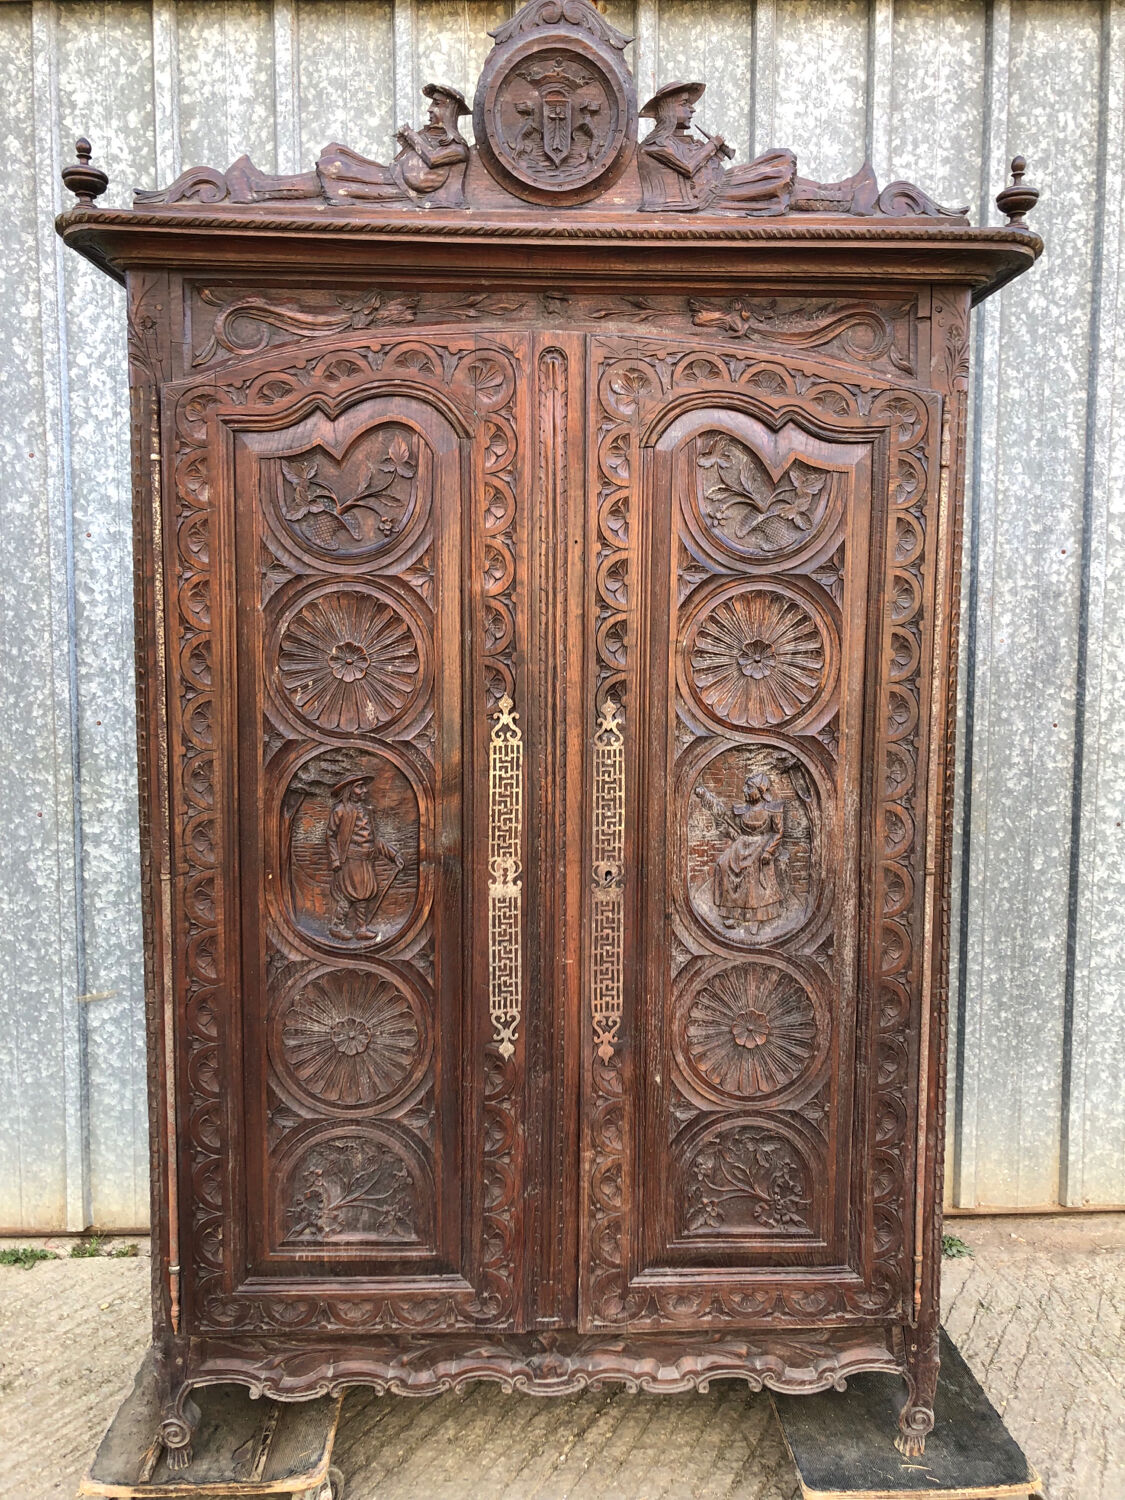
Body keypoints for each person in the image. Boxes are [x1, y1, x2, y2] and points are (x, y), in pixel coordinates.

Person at [637, 81, 795, 214]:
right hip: (709, 197)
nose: (692, 109)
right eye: (685, 104)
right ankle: (817, 198)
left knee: (781, 159)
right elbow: (688, 168)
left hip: (719, 184)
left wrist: (717, 154)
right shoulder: (655, 144)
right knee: (776, 177)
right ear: (669, 109)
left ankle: (820, 193)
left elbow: (706, 169)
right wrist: (712, 145)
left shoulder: (682, 141)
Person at [318, 83, 470, 207]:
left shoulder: (458, 148)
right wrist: (407, 144)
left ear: (450, 110)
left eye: (437, 103)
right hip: (392, 178)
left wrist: (411, 135)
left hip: (396, 189)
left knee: (336, 167)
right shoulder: (431, 136)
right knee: (337, 159)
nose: (429, 109)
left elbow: (432, 158)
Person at [698, 772, 787, 931]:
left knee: (751, 871)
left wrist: (769, 851)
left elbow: (778, 833)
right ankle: (734, 913)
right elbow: (735, 831)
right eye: (745, 787)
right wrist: (725, 827)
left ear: (760, 790)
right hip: (742, 844)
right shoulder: (741, 810)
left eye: (749, 787)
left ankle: (756, 917)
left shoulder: (773, 809)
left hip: (761, 844)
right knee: (723, 864)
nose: (745, 790)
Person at [326, 776, 404, 939]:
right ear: (349, 790)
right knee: (349, 893)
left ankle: (361, 928)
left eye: (363, 787)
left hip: (366, 860)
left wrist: (393, 854)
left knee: (365, 892)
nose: (365, 790)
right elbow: (330, 836)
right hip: (350, 860)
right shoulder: (340, 810)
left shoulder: (367, 810)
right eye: (359, 787)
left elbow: (374, 840)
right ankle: (337, 925)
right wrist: (334, 859)